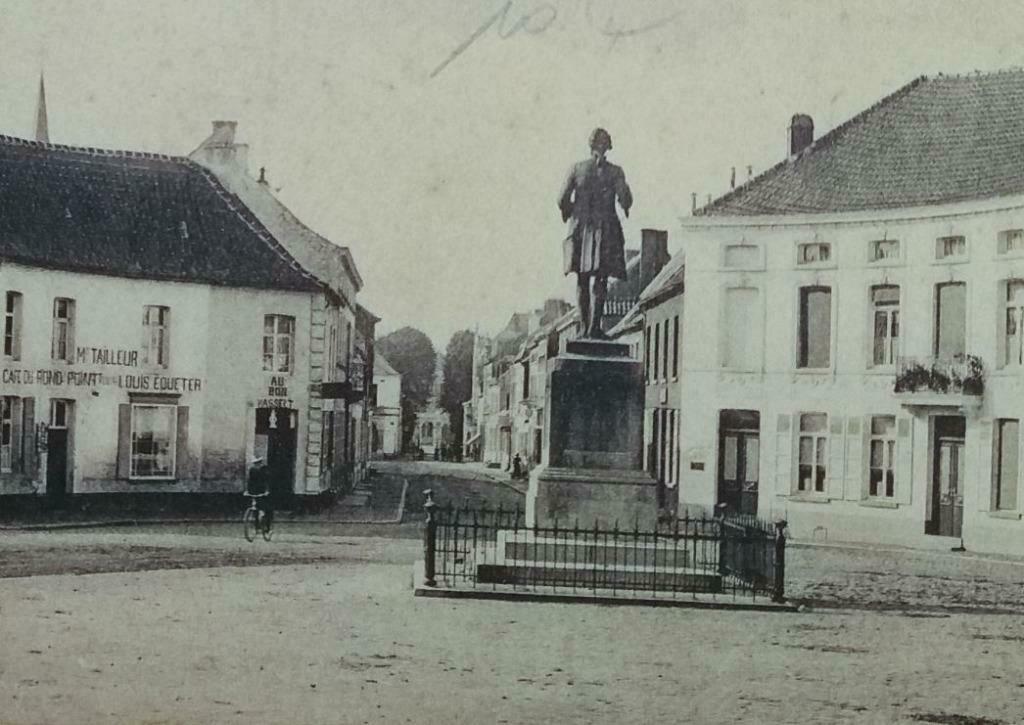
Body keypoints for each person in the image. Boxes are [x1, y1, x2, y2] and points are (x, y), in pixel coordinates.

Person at [557, 127, 633, 340]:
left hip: (581, 228)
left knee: (582, 279)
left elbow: (561, 198)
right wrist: (624, 201)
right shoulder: (615, 171)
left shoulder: (577, 169)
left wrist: (571, 212)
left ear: (590, 146)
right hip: (606, 229)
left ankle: (583, 328)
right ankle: (594, 329)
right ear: (607, 147)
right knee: (600, 279)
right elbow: (625, 199)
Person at [246, 456, 273, 531]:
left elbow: (267, 481)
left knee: (267, 509)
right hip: (254, 491)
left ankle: (267, 527)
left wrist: (267, 490)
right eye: (255, 463)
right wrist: (247, 491)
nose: (256, 465)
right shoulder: (252, 470)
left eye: (258, 463)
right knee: (255, 509)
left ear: (261, 463)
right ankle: (257, 526)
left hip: (263, 492)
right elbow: (250, 481)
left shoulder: (265, 470)